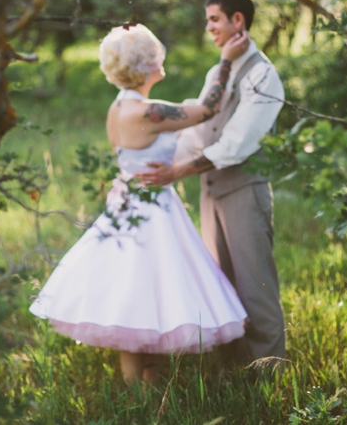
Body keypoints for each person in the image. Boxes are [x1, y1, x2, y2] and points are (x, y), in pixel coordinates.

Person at [30, 23, 250, 384]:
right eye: (154, 54)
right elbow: (208, 109)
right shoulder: (147, 112)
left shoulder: (119, 107)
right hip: (150, 211)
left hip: (130, 204)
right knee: (147, 292)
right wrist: (226, 60)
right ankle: (142, 398)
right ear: (146, 65)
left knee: (140, 295)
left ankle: (144, 394)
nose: (159, 58)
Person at [136, 0, 287, 366]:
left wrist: (179, 171)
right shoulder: (216, 72)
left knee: (257, 288)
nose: (208, 28)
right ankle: (235, 369)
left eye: (214, 19)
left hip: (244, 190)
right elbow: (199, 132)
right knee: (224, 285)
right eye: (207, 21)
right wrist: (155, 163)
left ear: (239, 21)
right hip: (211, 191)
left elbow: (236, 143)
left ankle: (269, 375)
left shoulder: (264, 76)